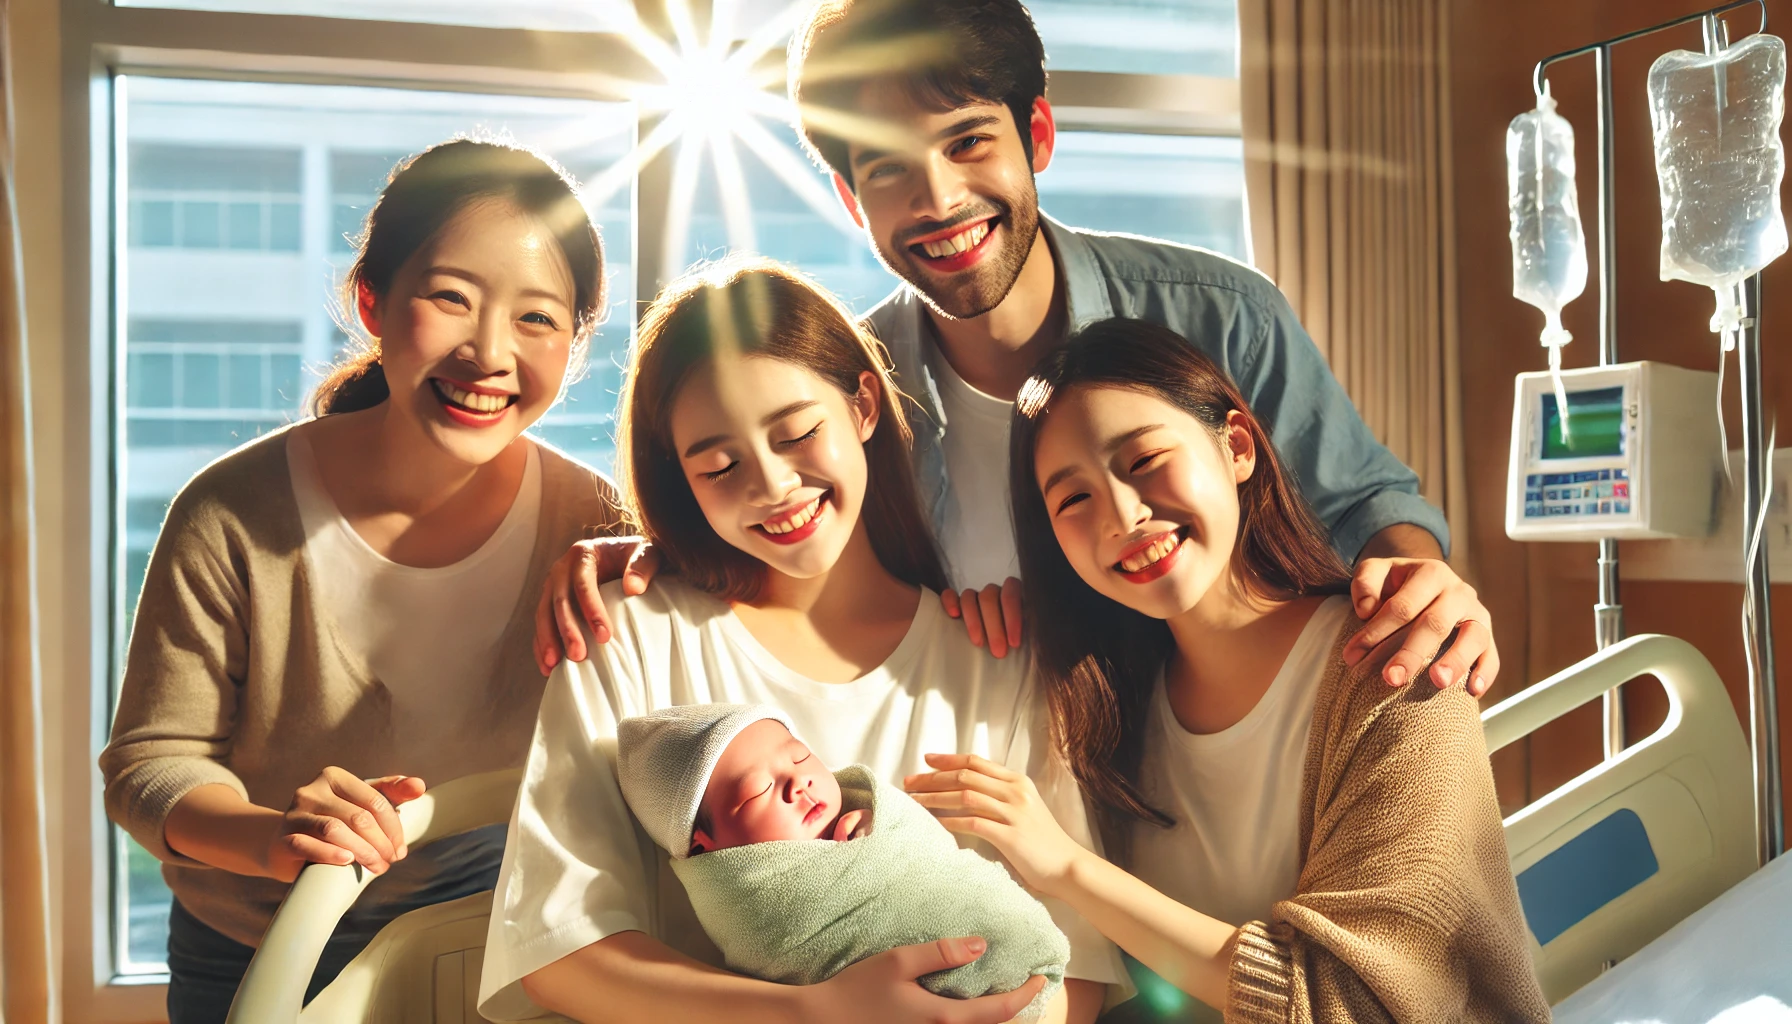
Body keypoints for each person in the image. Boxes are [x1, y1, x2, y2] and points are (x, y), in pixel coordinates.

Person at [535, 0, 1501, 702]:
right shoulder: (854, 390)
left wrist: (1423, 580)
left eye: (966, 144)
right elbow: (799, 549)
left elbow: (1367, 507)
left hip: (1235, 740)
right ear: (850, 201)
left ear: (1034, 133)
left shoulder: (1217, 313)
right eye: (889, 172)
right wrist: (665, 556)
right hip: (1018, 787)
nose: (941, 201)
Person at [478, 257, 1123, 1024]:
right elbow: (559, 949)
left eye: (797, 433)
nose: (775, 487)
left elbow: (1073, 966)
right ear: (680, 479)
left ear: (863, 406)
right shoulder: (631, 641)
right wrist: (813, 1014)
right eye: (720, 466)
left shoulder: (992, 657)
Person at [98, 138, 627, 1022]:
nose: (489, 353)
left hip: (493, 934)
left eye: (537, 319)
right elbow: (151, 764)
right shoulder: (230, 512)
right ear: (371, 301)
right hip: (254, 940)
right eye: (451, 298)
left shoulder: (595, 523)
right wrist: (279, 841)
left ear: (574, 348)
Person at [904, 319, 1550, 1023]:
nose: (1123, 515)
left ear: (1237, 446)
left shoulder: (1395, 672)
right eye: (1074, 499)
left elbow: (1359, 1003)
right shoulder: (1101, 710)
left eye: (1144, 460)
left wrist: (1068, 870)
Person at [612, 704, 1070, 1022]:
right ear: (706, 849)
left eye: (798, 756)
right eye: (757, 791)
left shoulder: (865, 813)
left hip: (1031, 986)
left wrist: (878, 832)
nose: (797, 782)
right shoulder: (751, 903)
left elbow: (930, 853)